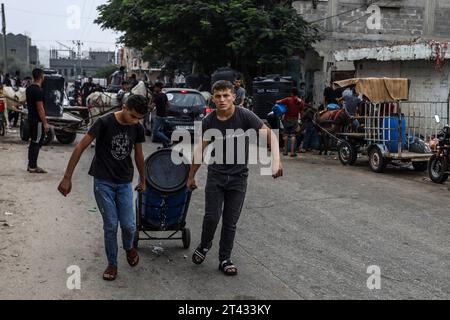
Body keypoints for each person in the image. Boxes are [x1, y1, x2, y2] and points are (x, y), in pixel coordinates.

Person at [188, 80, 283, 276]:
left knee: (230, 222)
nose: (222, 100)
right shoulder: (209, 121)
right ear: (212, 99)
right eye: (218, 96)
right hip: (216, 176)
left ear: (234, 96)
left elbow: (271, 136)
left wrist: (276, 161)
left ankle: (225, 258)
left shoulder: (245, 115)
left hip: (239, 178)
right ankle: (205, 245)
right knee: (212, 217)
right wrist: (191, 176)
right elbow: (200, 150)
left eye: (226, 95)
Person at [57, 94, 148, 281]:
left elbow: (139, 155)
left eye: (139, 118)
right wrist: (67, 177)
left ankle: (129, 247)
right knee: (111, 225)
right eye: (132, 116)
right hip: (103, 182)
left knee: (129, 226)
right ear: (124, 107)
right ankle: (112, 264)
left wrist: (143, 179)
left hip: (124, 181)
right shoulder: (104, 122)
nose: (135, 121)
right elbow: (80, 147)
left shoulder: (137, 127)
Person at [27, 68, 49, 174]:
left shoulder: (29, 88)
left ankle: (30, 164)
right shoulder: (38, 90)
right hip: (37, 121)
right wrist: (45, 123)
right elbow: (40, 108)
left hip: (30, 119)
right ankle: (33, 166)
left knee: (33, 142)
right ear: (41, 76)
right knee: (37, 143)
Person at [276, 88, 305, 157]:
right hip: (295, 120)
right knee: (293, 135)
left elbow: (278, 102)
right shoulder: (301, 102)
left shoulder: (288, 99)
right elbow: (301, 110)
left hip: (287, 119)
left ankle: (285, 151)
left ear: (292, 93)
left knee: (285, 134)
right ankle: (292, 152)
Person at [151, 82, 171, 147]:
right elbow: (168, 105)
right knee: (161, 131)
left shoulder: (157, 96)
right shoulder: (164, 95)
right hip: (164, 116)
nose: (154, 88)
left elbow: (152, 107)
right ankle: (165, 145)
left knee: (155, 131)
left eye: (155, 87)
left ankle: (168, 140)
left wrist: (146, 105)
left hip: (159, 116)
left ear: (158, 88)